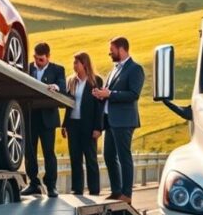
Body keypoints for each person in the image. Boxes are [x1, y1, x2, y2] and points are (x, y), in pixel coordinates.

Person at [92, 37, 144, 204]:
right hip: (111, 121)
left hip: (124, 120)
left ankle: (127, 194)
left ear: (121, 49)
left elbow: (134, 94)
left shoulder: (135, 69)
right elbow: (109, 93)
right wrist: (100, 94)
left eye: (112, 50)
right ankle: (116, 191)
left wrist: (110, 94)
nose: (110, 53)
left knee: (124, 156)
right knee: (108, 155)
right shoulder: (113, 70)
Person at [23, 42, 66, 197]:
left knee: (49, 153)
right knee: (29, 152)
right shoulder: (27, 68)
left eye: (40, 59)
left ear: (48, 57)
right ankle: (33, 183)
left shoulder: (58, 69)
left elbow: (62, 84)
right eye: (35, 58)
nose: (37, 61)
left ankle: (51, 186)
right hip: (30, 117)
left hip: (48, 118)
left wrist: (56, 86)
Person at [61, 52, 104, 195]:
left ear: (84, 64)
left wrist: (98, 127)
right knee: (75, 157)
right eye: (74, 63)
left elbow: (99, 107)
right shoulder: (71, 81)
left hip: (89, 126)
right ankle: (77, 189)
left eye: (76, 63)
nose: (74, 66)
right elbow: (68, 104)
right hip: (73, 124)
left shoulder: (95, 81)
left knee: (90, 159)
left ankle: (94, 190)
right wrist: (64, 124)